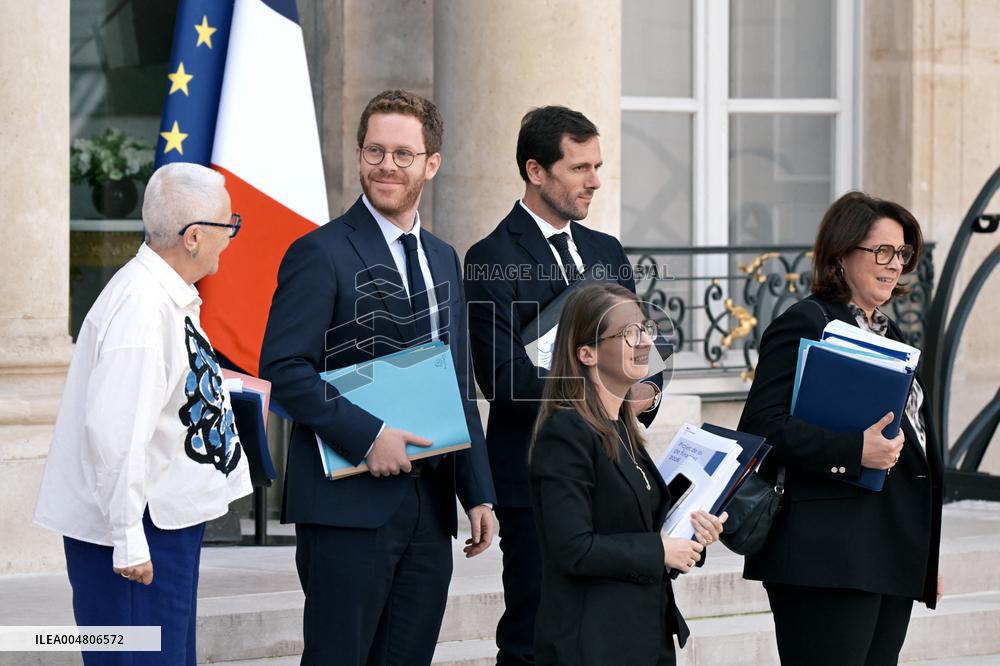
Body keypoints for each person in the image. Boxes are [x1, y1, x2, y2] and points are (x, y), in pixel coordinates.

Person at [259, 89, 496, 666]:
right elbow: (284, 371)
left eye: (403, 154)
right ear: (359, 155)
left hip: (430, 506)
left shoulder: (445, 258)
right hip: (346, 507)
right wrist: (368, 436)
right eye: (375, 150)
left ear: (431, 164)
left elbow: (455, 380)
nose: (386, 165)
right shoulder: (318, 252)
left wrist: (478, 492)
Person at [464, 105, 663, 665]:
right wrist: (604, 390)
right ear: (535, 170)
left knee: (610, 634)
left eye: (597, 166)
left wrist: (649, 390)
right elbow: (502, 380)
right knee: (535, 632)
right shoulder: (490, 258)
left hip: (617, 475)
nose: (595, 181)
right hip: (535, 475)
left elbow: (641, 349)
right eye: (579, 168)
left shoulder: (607, 252)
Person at [33, 162, 252, 665]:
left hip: (159, 525)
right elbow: (115, 435)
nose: (232, 237)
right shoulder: (142, 308)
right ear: (194, 237)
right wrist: (128, 541)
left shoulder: (159, 295)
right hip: (137, 536)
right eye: (228, 225)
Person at [738, 191, 944, 665]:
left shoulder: (891, 335)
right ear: (841, 254)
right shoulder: (806, 322)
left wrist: (925, 556)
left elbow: (919, 451)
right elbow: (762, 425)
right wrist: (854, 450)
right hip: (825, 556)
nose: (895, 265)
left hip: (889, 551)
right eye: (882, 251)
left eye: (903, 254)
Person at [529, 283, 725, 666]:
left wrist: (690, 538)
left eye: (646, 329)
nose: (645, 343)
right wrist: (660, 549)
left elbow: (641, 528)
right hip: (592, 641)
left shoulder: (621, 427)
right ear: (586, 353)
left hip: (644, 633)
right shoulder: (566, 433)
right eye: (628, 333)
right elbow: (572, 549)